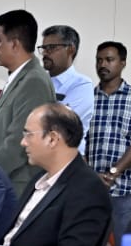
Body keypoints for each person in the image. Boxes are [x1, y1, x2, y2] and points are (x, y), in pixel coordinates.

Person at [3, 103, 111, 246]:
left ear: (52, 139)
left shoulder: (87, 189)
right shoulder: (39, 179)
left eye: (28, 135)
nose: (23, 142)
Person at [0, 9, 57, 198]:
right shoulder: (21, 78)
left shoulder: (33, 81)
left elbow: (18, 141)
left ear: (14, 44)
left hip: (17, 185)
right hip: (6, 181)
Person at [87, 41, 131, 244]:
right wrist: (91, 175)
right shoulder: (87, 98)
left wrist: (113, 172)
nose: (102, 65)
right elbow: (76, 140)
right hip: (90, 189)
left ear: (123, 63)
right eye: (99, 60)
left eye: (109, 59)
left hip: (125, 191)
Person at [39, 25, 95, 154]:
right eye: (44, 48)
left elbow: (59, 125)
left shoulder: (81, 85)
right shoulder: (38, 81)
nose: (45, 53)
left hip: (67, 160)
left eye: (51, 47)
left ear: (70, 49)